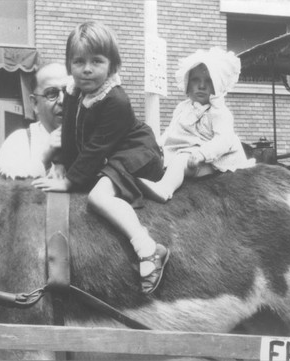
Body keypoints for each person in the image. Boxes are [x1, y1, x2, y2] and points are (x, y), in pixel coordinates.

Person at [32, 21, 169, 294]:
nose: (86, 69)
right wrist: (60, 163)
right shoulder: (72, 92)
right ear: (69, 64)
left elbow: (96, 148)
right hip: (110, 151)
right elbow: (69, 134)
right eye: (78, 61)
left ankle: (148, 248)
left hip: (134, 150)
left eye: (97, 61)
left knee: (98, 197)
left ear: (112, 65)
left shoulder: (116, 100)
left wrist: (70, 181)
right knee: (87, 185)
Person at [138, 47, 255, 203]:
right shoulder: (183, 108)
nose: (201, 86)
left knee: (179, 162)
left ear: (218, 85)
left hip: (212, 161)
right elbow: (172, 131)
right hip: (186, 152)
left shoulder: (219, 111)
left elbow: (224, 140)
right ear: (187, 84)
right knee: (155, 156)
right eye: (195, 80)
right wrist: (157, 145)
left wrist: (202, 154)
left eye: (208, 81)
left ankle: (165, 189)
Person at [0, 62, 69, 179]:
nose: (62, 100)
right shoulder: (17, 143)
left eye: (68, 91)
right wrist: (43, 159)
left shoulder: (90, 143)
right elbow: (6, 192)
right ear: (34, 103)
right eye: (51, 93)